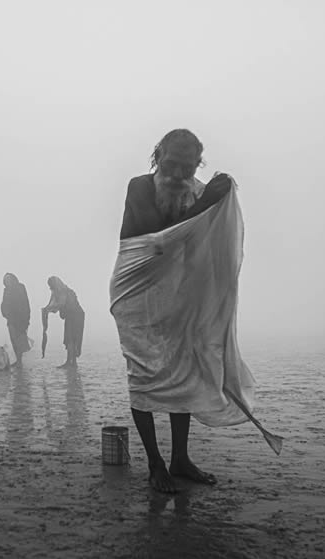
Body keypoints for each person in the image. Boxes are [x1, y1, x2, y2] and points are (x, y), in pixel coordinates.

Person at [118, 129, 234, 494]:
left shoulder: (197, 192)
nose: (178, 175)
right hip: (136, 293)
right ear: (157, 156)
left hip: (179, 293)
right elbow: (155, 236)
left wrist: (219, 198)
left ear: (197, 165)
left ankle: (180, 458)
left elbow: (208, 241)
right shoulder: (139, 186)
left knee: (183, 371)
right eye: (171, 164)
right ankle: (155, 464)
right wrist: (206, 205)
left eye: (187, 168)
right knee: (146, 374)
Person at [41, 276, 85, 368]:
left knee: (72, 339)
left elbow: (60, 304)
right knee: (69, 339)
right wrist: (47, 309)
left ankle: (72, 363)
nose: (50, 288)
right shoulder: (58, 291)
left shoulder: (65, 292)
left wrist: (48, 309)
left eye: (51, 286)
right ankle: (70, 362)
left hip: (76, 316)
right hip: (70, 316)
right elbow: (53, 304)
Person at [0, 273, 31, 366]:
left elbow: (26, 302)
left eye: (9, 279)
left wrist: (27, 317)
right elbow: (4, 302)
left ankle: (19, 361)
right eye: (6, 280)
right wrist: (4, 313)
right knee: (13, 339)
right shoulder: (6, 290)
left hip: (21, 318)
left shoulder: (21, 287)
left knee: (19, 339)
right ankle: (18, 360)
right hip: (11, 319)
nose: (8, 281)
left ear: (13, 279)